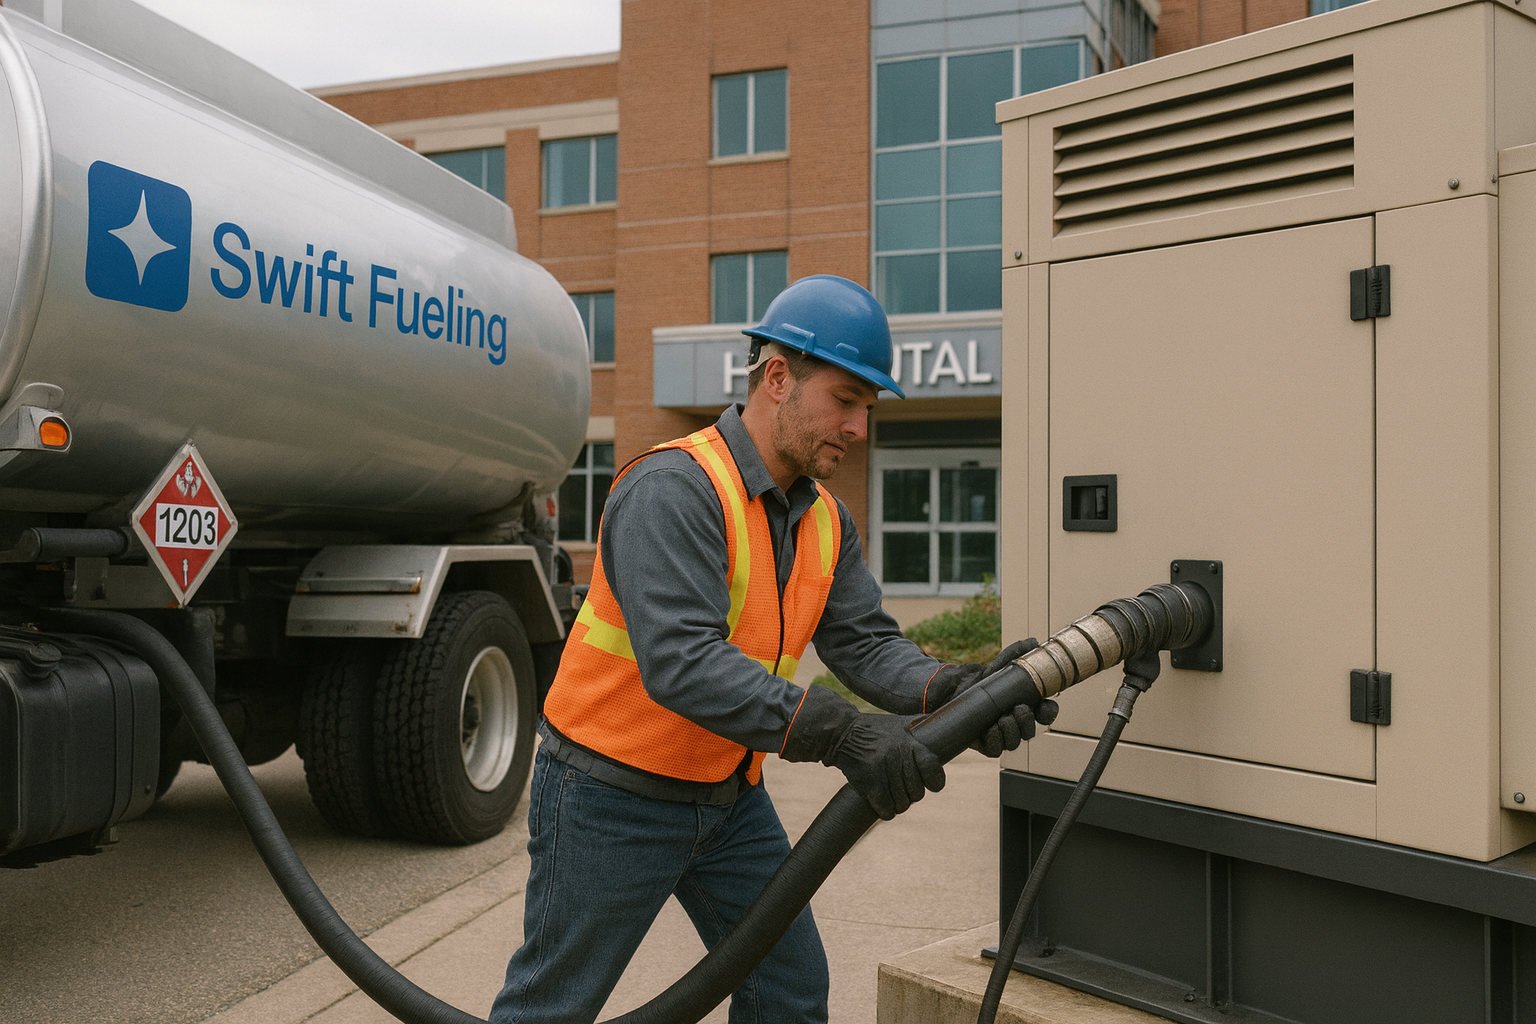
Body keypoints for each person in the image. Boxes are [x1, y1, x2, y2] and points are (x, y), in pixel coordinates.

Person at [490, 274, 1049, 1024]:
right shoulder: (673, 488)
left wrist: (955, 690)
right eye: (846, 400)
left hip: (727, 799)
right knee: (553, 1006)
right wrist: (843, 732)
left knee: (787, 989)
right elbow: (683, 662)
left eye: (868, 409)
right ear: (778, 377)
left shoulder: (824, 521)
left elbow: (866, 645)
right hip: (609, 796)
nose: (858, 427)